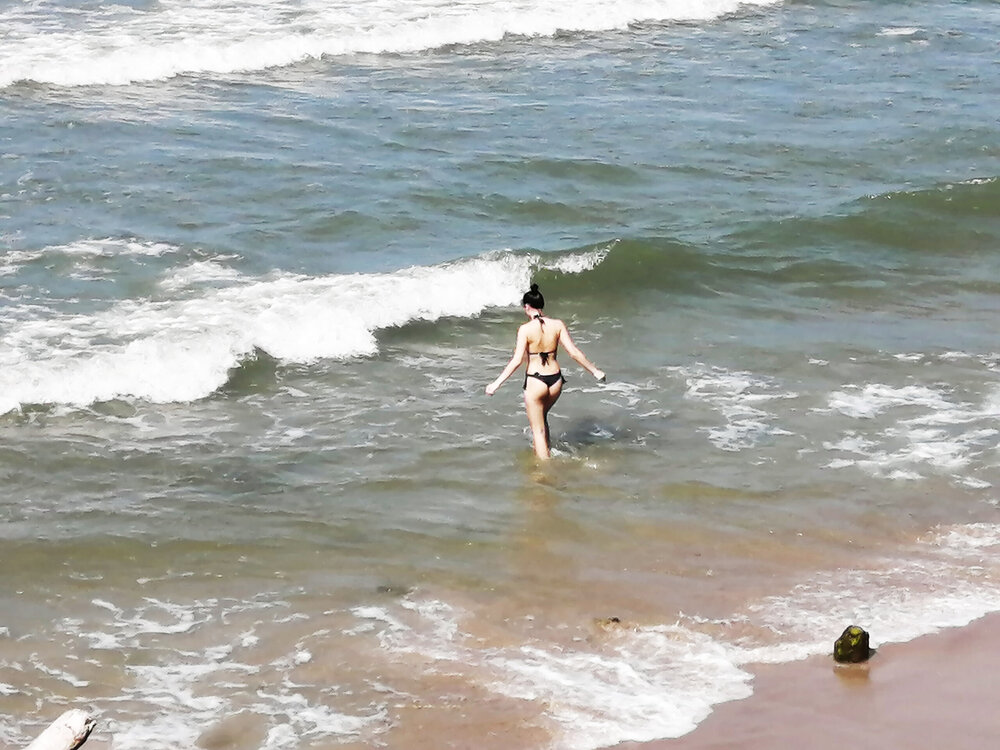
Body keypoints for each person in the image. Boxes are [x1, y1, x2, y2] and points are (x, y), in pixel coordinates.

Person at [486, 284, 605, 459]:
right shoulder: (557, 325)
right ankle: (545, 452)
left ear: (527, 307)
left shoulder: (525, 330)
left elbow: (517, 360)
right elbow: (573, 352)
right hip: (556, 381)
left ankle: (544, 470)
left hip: (536, 381)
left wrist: (495, 384)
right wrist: (595, 371)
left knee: (538, 430)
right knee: (542, 418)